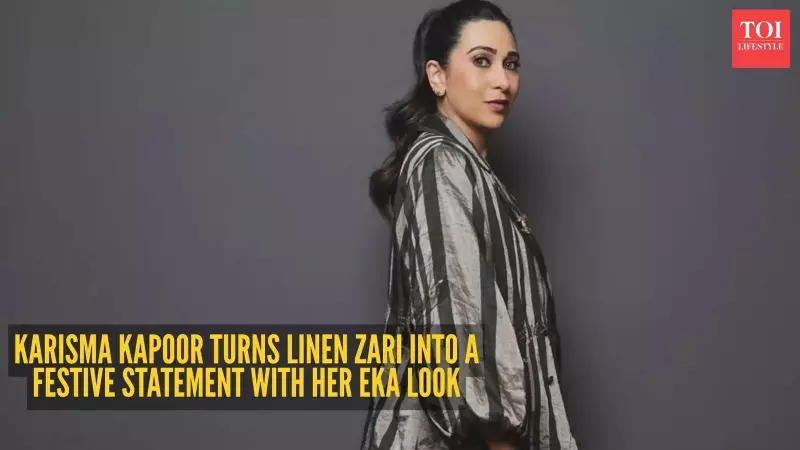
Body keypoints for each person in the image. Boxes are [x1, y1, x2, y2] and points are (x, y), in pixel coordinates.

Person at [362, 1, 579, 449]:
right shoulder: (440, 164)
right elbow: (456, 329)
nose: (503, 80)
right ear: (437, 76)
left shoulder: (472, 174)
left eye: (510, 64)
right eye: (482, 61)